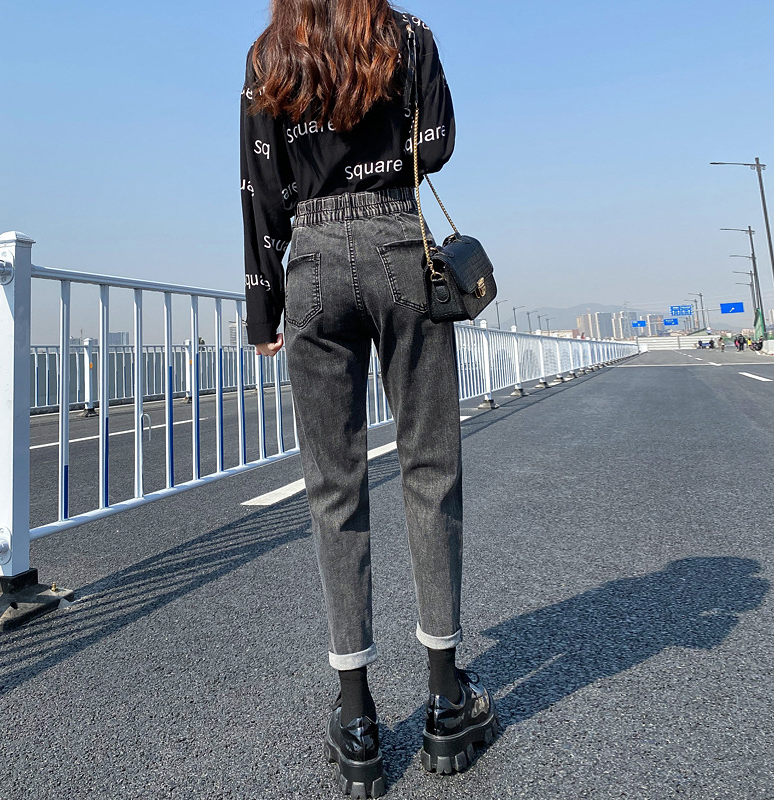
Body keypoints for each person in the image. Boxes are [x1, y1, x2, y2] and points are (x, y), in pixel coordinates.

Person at [240, 2, 496, 796]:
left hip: (313, 259)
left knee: (334, 486)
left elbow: (262, 185)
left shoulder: (269, 52)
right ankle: (445, 697)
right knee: (430, 467)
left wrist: (262, 308)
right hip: (397, 245)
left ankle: (355, 717)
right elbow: (437, 144)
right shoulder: (408, 36)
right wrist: (380, 146)